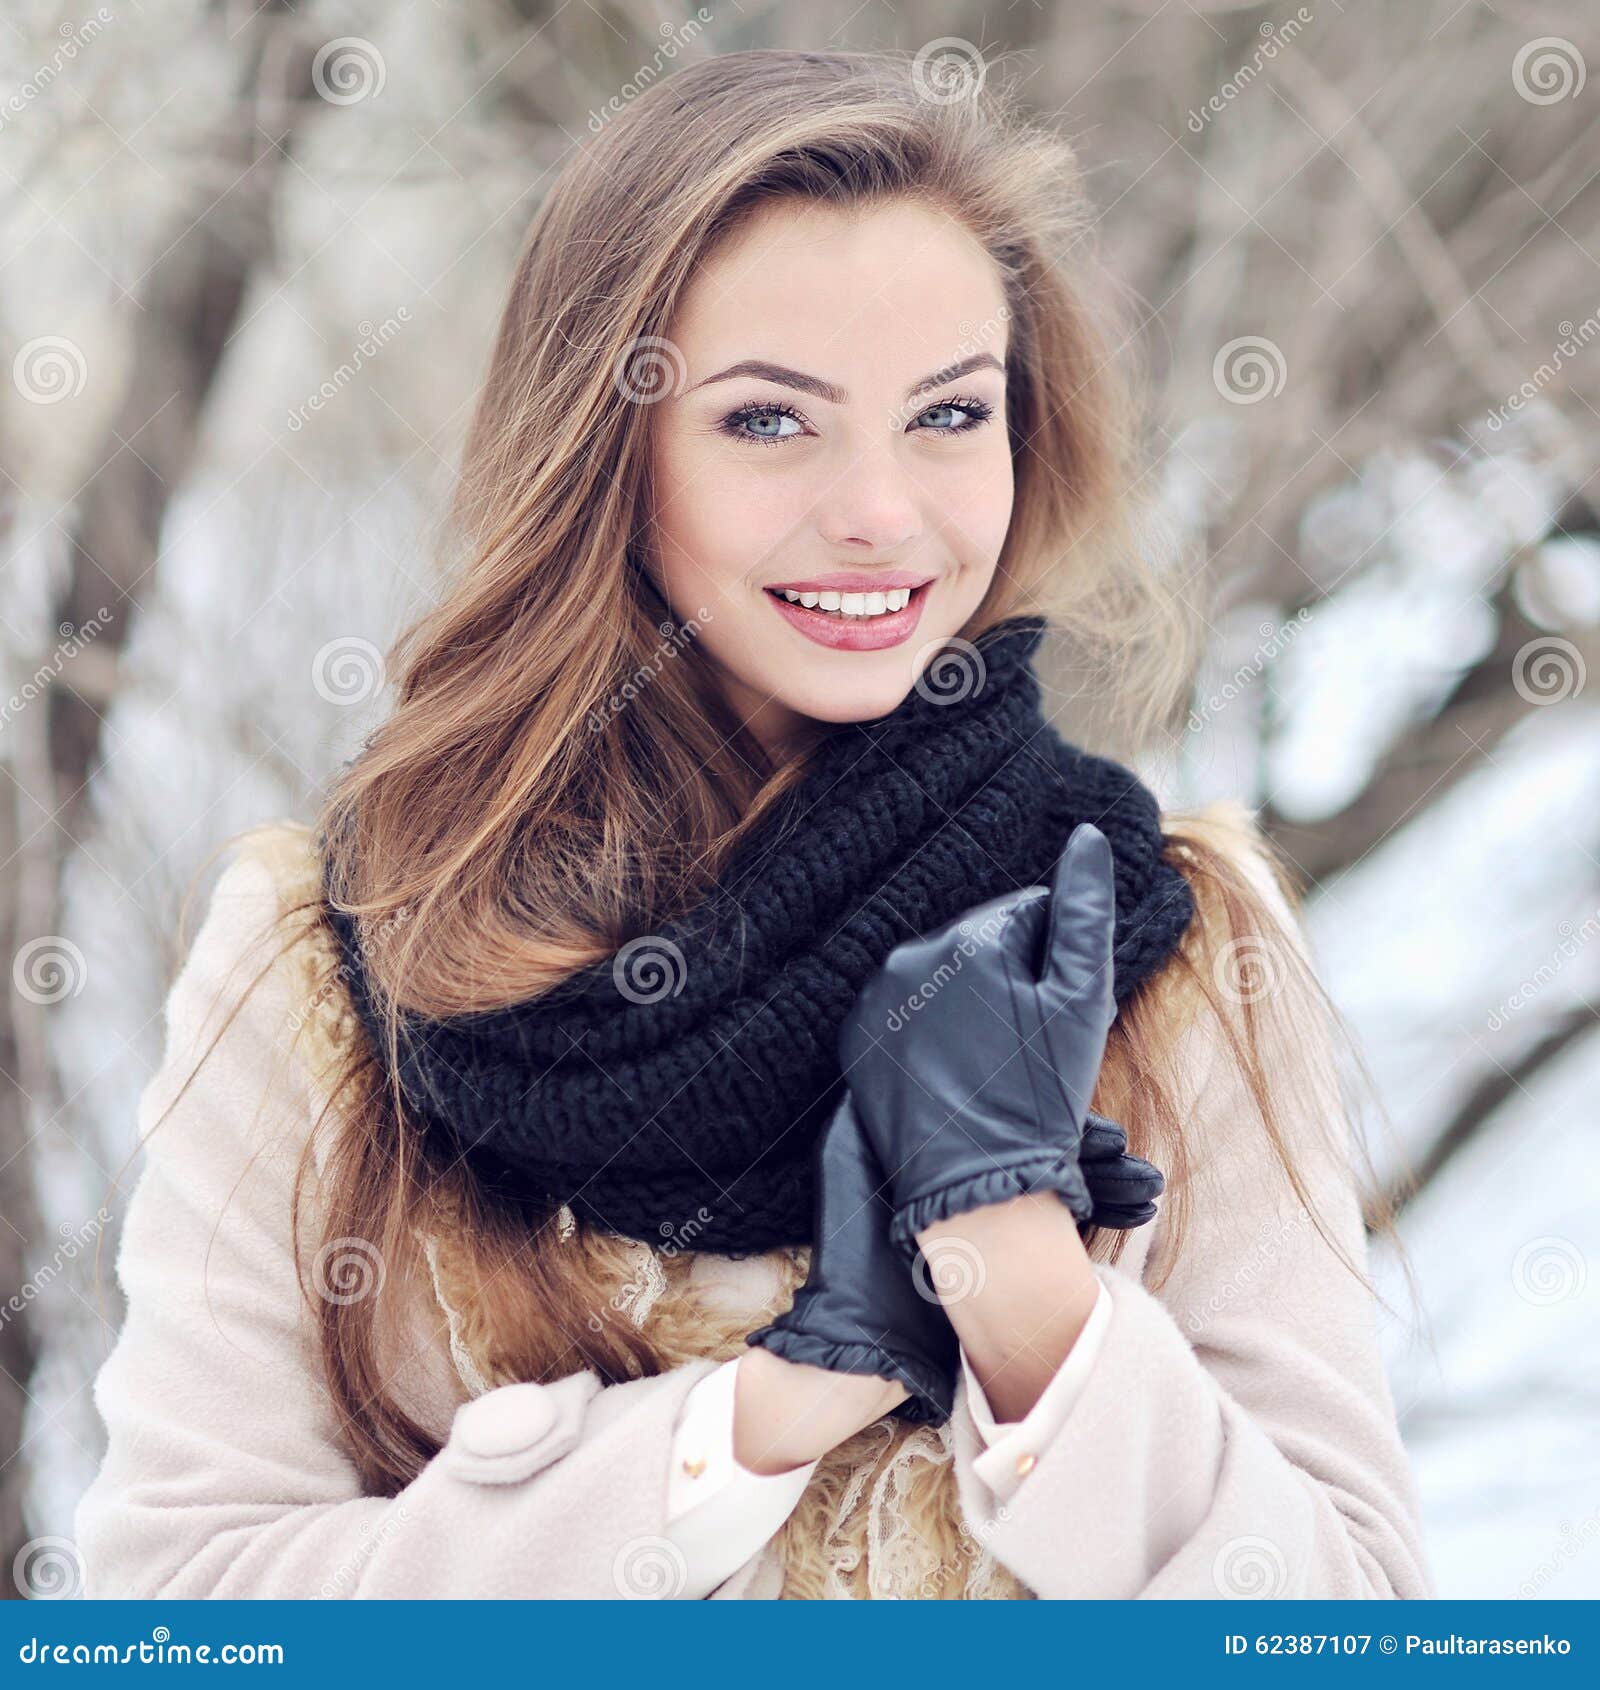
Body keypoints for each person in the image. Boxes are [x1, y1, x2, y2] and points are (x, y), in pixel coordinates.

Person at [75, 46, 1432, 1600]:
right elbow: (177, 1610)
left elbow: (1355, 1622)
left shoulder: (1161, 934)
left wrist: (1021, 1282)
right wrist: (759, 1419)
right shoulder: (336, 956)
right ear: (609, 449)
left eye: (947, 413)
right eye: (770, 423)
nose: (881, 507)